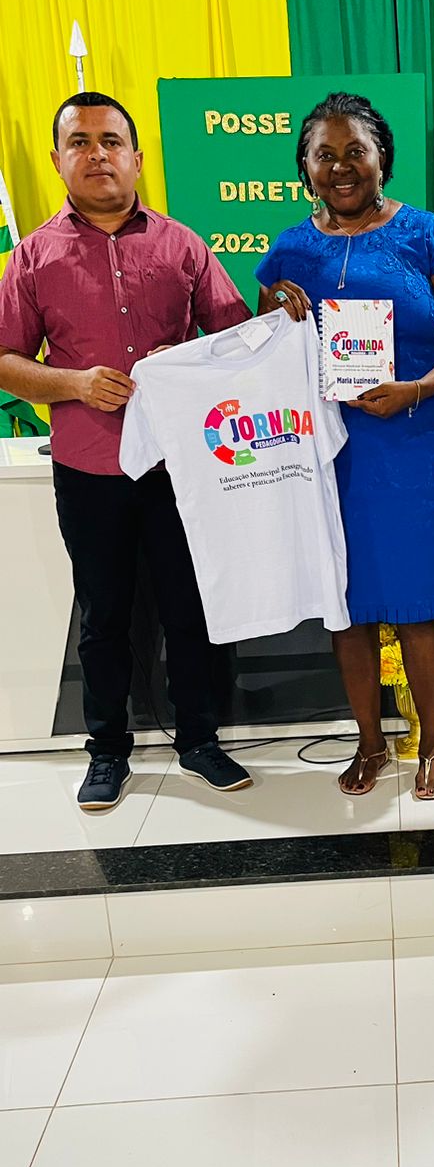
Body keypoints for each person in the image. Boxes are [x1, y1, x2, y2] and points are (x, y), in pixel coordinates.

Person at [0, 92, 253, 809]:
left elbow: (234, 340)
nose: (97, 154)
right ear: (57, 161)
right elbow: (5, 360)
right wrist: (73, 383)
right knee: (104, 617)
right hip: (88, 468)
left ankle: (199, 740)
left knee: (189, 609)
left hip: (181, 468)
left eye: (110, 141)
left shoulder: (183, 247)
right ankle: (107, 750)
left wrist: (205, 355)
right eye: (79, 142)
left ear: (137, 158)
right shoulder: (32, 257)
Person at [255, 91, 434, 801]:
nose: (341, 166)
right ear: (304, 168)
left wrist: (415, 388)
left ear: (381, 157)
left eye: (354, 150)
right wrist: (274, 312)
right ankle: (368, 742)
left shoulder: (426, 234)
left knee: (420, 603)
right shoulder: (289, 249)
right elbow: (263, 353)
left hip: (415, 446)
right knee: (348, 607)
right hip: (329, 455)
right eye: (323, 155)